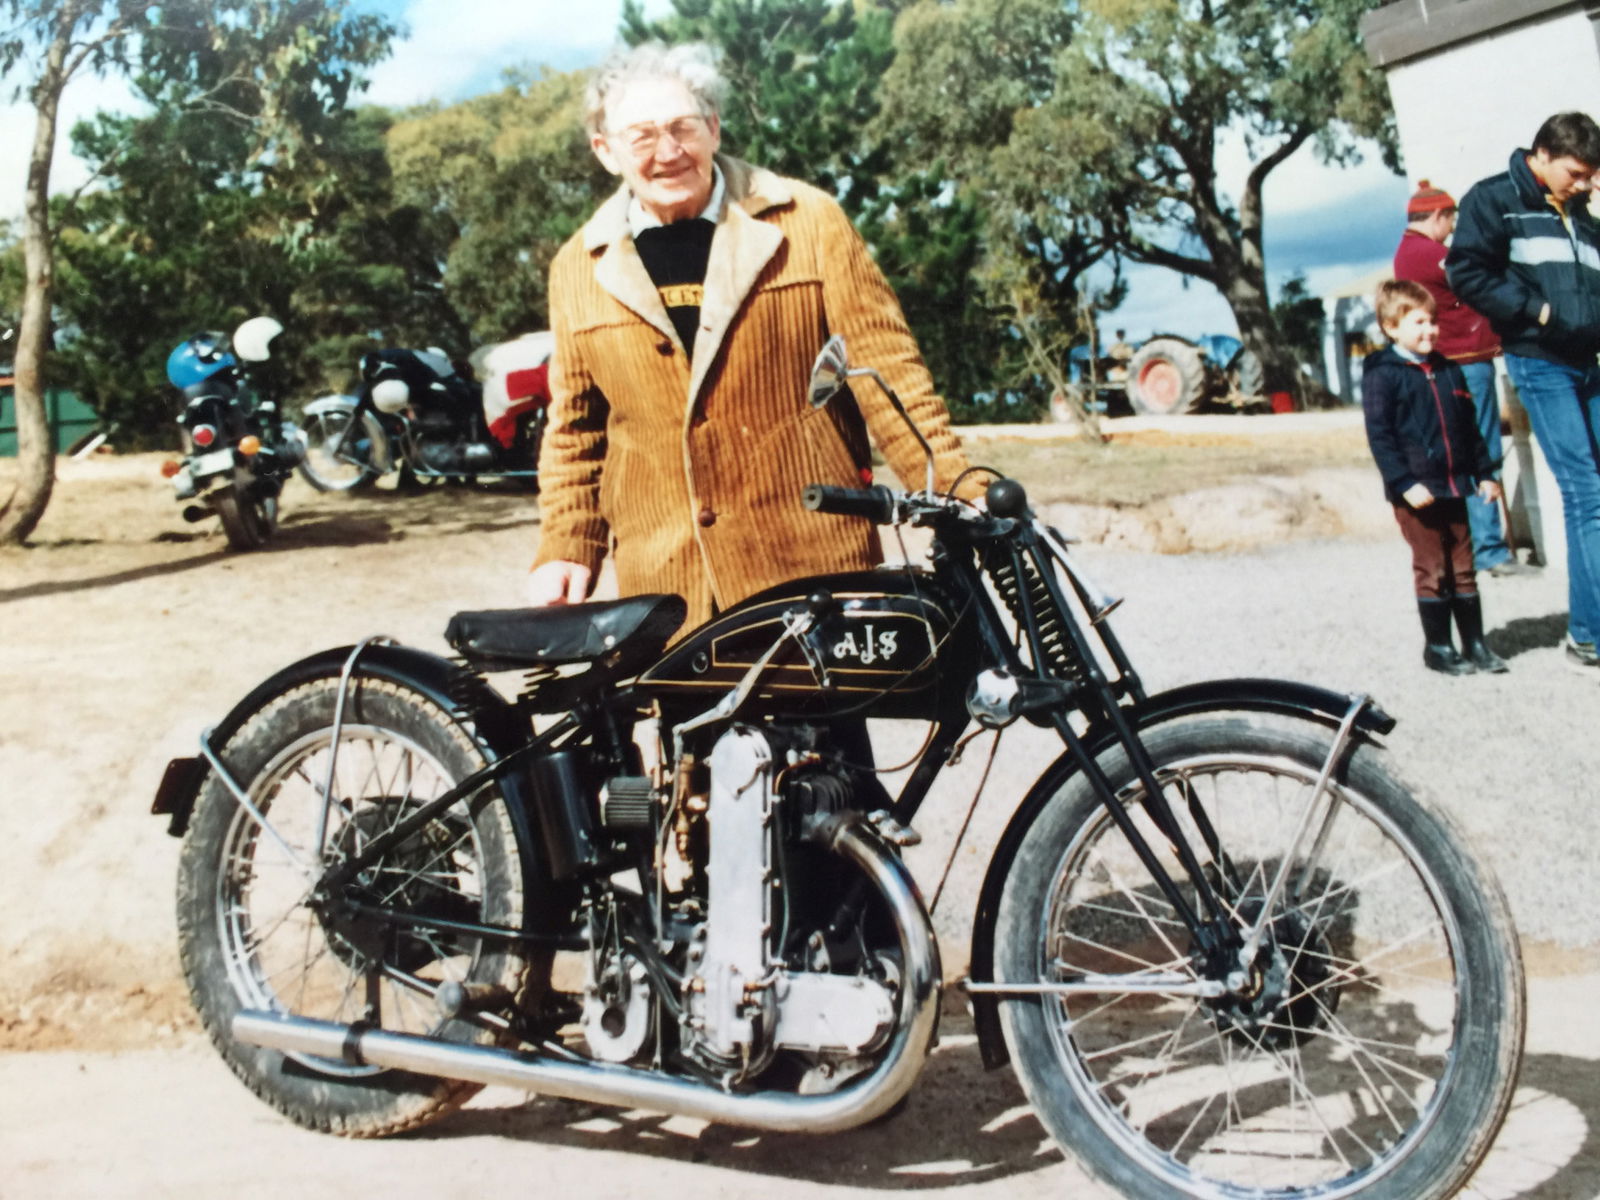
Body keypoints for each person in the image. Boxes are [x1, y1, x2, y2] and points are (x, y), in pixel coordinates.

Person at [526, 42, 978, 628]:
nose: (668, 152)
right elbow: (575, 430)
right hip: (669, 587)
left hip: (812, 567)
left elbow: (889, 370)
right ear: (605, 151)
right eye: (641, 137)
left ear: (713, 128)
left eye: (682, 128)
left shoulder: (808, 221)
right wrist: (567, 542)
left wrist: (957, 487)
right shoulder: (578, 265)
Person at [1447, 111, 1600, 674]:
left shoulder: (1581, 212)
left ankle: (1590, 627)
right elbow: (1466, 272)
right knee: (1588, 493)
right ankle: (1590, 638)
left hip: (1588, 363)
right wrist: (1537, 311)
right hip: (1539, 361)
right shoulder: (1494, 200)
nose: (1583, 184)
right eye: (1576, 173)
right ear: (1542, 154)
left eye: (1591, 175)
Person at [1362, 280, 1507, 675]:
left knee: (1463, 566)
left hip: (1455, 486)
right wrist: (1404, 483)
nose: (1430, 330)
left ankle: (1475, 644)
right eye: (1419, 323)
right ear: (1391, 327)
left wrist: (1485, 473)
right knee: (1433, 568)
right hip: (1417, 492)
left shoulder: (1448, 370)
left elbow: (1470, 429)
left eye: (1433, 322)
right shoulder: (1383, 374)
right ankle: (1439, 648)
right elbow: (1380, 436)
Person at [1392, 179, 1520, 575]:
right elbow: (1481, 283)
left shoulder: (1404, 255)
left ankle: (1467, 547)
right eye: (1449, 221)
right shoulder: (1435, 255)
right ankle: (1490, 548)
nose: (1451, 230)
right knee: (1484, 449)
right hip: (1468, 358)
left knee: (1456, 451)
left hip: (1442, 364)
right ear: (1437, 216)